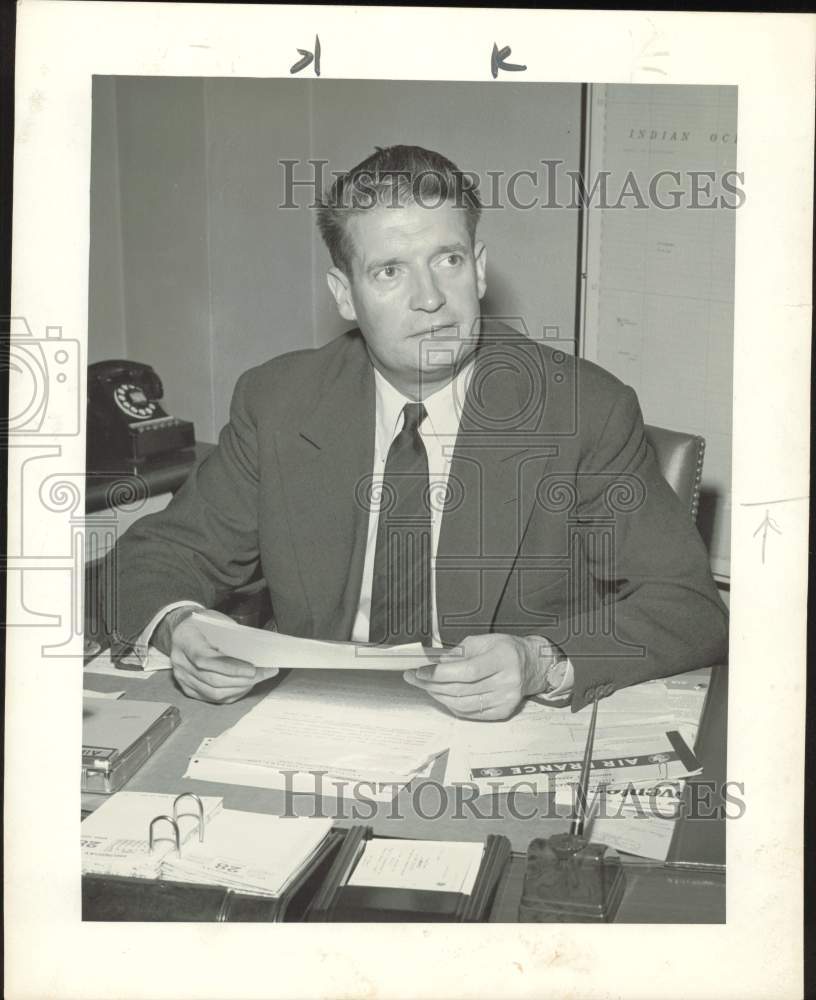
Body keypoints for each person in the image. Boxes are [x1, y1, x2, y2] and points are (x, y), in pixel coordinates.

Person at [105, 144, 727, 719]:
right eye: (390, 272)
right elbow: (151, 557)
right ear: (344, 294)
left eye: (448, 260)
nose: (430, 298)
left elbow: (691, 607)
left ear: (479, 271)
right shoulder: (280, 402)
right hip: (318, 724)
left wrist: (542, 661)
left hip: (503, 737)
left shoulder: (583, 409)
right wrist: (181, 628)